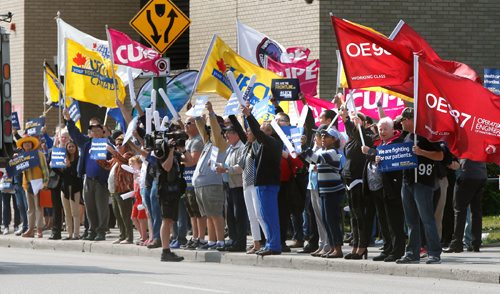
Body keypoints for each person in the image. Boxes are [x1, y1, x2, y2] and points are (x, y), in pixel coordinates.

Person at [395, 107, 444, 265]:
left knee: (427, 219)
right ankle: (412, 253)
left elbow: (440, 155)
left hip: (422, 181)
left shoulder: (427, 135)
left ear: (411, 119)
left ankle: (434, 253)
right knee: (411, 221)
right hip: (407, 181)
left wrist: (422, 152)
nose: (401, 122)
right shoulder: (407, 137)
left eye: (403, 119)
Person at [361, 117, 406, 262]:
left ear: (393, 130)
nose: (382, 132)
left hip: (392, 187)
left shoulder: (398, 143)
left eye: (385, 129)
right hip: (379, 188)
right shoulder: (381, 143)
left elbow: (392, 160)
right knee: (384, 221)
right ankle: (388, 248)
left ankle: (397, 250)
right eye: (380, 129)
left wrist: (373, 153)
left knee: (394, 221)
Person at [242, 105, 283, 256]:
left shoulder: (273, 142)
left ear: (271, 131)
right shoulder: (261, 145)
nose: (261, 132)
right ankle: (271, 243)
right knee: (265, 215)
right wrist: (244, 117)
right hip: (262, 183)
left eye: (264, 129)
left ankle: (274, 245)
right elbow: (251, 135)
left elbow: (258, 134)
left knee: (270, 215)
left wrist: (249, 115)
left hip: (268, 184)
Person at [64, 109, 110, 241]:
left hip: (101, 180)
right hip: (88, 179)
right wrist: (69, 120)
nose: (94, 133)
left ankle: (101, 231)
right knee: (89, 207)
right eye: (92, 131)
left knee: (101, 207)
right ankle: (92, 230)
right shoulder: (86, 143)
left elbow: (113, 159)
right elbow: (75, 134)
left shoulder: (107, 144)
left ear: (102, 131)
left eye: (97, 130)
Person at [303, 128, 345, 258]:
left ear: (334, 139)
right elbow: (309, 159)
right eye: (321, 136)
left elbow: (315, 158)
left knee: (332, 220)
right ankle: (332, 247)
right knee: (327, 220)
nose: (323, 138)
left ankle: (337, 248)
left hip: (332, 191)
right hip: (325, 191)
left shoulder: (332, 152)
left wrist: (305, 145)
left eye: (326, 136)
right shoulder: (325, 152)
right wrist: (302, 148)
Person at [338, 104, 373, 260]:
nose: (353, 123)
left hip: (358, 180)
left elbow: (355, 131)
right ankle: (355, 245)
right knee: (353, 215)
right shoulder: (352, 140)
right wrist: (344, 115)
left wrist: (347, 120)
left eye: (357, 120)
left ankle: (362, 246)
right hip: (348, 179)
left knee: (360, 216)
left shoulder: (364, 137)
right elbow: (349, 131)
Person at [192, 102, 227, 250]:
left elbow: (215, 129)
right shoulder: (208, 143)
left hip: (212, 184)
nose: (210, 131)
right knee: (208, 214)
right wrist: (196, 115)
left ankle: (220, 241)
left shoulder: (219, 142)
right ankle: (211, 241)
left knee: (216, 214)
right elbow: (202, 129)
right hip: (200, 185)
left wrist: (211, 112)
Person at [216, 124, 248, 252]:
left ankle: (240, 243)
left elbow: (240, 167)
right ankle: (233, 240)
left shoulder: (242, 147)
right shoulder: (230, 148)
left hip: (239, 185)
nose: (226, 136)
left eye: (228, 133)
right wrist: (217, 165)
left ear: (236, 134)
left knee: (238, 215)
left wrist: (225, 169)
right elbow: (227, 164)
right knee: (230, 215)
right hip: (229, 185)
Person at [444, 159, 487, 253]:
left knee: (459, 209)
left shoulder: (465, 143)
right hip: (481, 173)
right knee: (476, 211)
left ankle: (457, 243)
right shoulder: (482, 143)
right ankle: (476, 243)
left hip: (466, 173)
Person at [99, 134, 135, 244]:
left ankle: (129, 237)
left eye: (120, 144)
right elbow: (106, 165)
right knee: (118, 215)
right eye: (116, 145)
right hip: (114, 190)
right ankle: (122, 235)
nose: (118, 146)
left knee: (125, 214)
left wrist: (112, 151)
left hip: (123, 189)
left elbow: (124, 161)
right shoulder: (116, 157)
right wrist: (98, 157)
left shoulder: (129, 155)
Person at [178, 116, 206, 250]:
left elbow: (193, 161)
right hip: (186, 180)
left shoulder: (198, 141)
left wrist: (178, 158)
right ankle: (194, 237)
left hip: (195, 180)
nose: (186, 125)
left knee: (198, 212)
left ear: (197, 125)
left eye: (189, 123)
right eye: (185, 123)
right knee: (192, 213)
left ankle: (201, 238)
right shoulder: (188, 140)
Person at [17, 135, 49, 238]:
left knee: (39, 207)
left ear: (32, 144)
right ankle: (30, 229)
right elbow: (19, 170)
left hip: (38, 183)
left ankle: (39, 229)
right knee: (30, 209)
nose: (27, 144)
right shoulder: (21, 157)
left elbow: (45, 169)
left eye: (28, 142)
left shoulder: (39, 154)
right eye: (24, 143)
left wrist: (45, 183)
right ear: (22, 145)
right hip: (27, 184)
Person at [157, 139, 184, 262]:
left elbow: (189, 161)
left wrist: (183, 149)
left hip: (175, 191)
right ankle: (165, 251)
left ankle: (167, 249)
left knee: (170, 220)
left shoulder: (176, 155)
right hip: (166, 192)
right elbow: (166, 168)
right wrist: (171, 151)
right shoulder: (161, 153)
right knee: (166, 220)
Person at [58, 140, 83, 240]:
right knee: (67, 212)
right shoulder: (63, 159)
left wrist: (70, 167)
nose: (71, 148)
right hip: (64, 189)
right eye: (69, 147)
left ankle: (76, 234)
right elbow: (61, 175)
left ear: (76, 148)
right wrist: (55, 167)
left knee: (75, 212)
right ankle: (69, 233)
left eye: (73, 146)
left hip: (75, 189)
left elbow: (77, 174)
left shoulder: (78, 159)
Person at [129, 156, 148, 244]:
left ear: (139, 164)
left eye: (133, 164)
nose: (131, 166)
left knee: (141, 218)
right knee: (133, 217)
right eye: (130, 164)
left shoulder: (141, 172)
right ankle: (142, 234)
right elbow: (135, 187)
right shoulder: (135, 174)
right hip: (137, 199)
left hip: (141, 199)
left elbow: (142, 184)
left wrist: (137, 177)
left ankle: (144, 237)